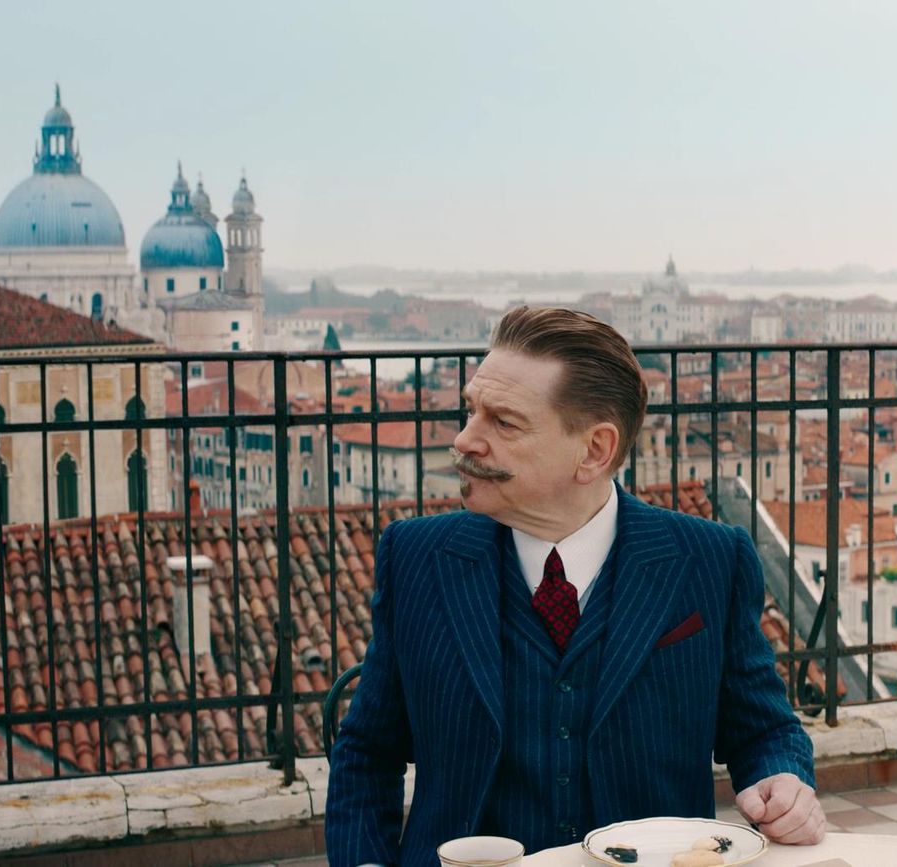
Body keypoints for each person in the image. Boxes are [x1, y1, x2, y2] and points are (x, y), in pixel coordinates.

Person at [327, 307, 824, 866]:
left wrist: (784, 782)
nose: (465, 440)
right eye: (471, 411)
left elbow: (764, 731)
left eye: (504, 422)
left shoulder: (709, 560)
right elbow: (368, 753)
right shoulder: (416, 558)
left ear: (594, 450)